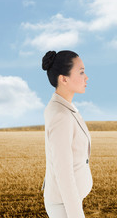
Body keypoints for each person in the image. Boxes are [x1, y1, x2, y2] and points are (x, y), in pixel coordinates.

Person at [41, 50, 92, 218]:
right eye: (81, 72)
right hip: (65, 205)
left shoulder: (63, 106)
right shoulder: (61, 115)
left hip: (68, 201)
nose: (86, 78)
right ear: (63, 79)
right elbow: (63, 172)